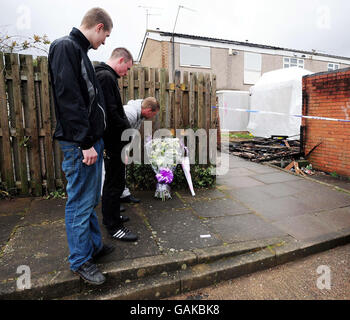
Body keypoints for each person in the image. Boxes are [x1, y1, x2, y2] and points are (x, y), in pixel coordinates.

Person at [48, 8, 114, 285]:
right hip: (80, 145)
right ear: (98, 27)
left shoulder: (80, 51)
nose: (105, 41)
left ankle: (93, 248)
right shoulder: (66, 47)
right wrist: (86, 142)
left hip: (89, 142)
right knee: (79, 203)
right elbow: (69, 100)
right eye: (106, 35)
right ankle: (80, 261)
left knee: (89, 201)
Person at [95, 48, 139, 242]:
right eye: (127, 68)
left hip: (115, 142)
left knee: (116, 182)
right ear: (121, 60)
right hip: (113, 142)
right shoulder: (105, 77)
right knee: (113, 184)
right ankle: (113, 226)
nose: (126, 73)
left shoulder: (106, 76)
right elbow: (111, 114)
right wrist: (126, 134)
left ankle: (113, 216)